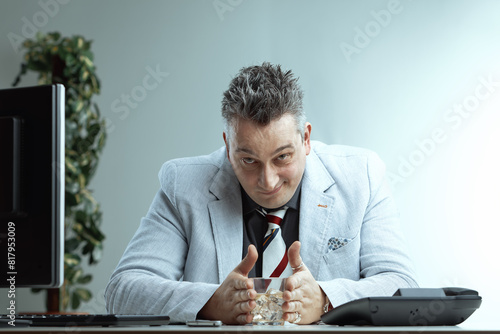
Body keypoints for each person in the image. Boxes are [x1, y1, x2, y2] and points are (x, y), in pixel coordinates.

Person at [105, 62, 418, 325]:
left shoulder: (360, 175)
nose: (267, 181)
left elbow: (400, 284)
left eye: (282, 157)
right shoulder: (183, 184)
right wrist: (211, 303)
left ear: (306, 139)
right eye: (248, 160)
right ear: (228, 147)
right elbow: (123, 291)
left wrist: (325, 299)